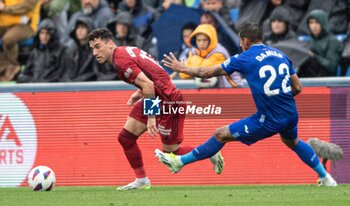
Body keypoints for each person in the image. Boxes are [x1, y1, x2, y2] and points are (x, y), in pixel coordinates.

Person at [157, 23, 337, 186]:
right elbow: (298, 87)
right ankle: (326, 178)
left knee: (220, 134)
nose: (240, 45)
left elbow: (207, 72)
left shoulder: (244, 57)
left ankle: (178, 162)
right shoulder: (281, 55)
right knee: (293, 142)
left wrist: (183, 68)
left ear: (245, 40)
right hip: (290, 113)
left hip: (269, 118)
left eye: (240, 41)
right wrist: (280, 99)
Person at [87, 28, 224, 190]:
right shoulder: (125, 52)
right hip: (154, 97)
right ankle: (142, 180)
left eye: (97, 46)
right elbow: (151, 74)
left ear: (110, 44)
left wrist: (151, 116)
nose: (95, 52)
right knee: (125, 138)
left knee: (171, 152)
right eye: (92, 49)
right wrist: (140, 92)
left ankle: (210, 151)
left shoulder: (121, 61)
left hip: (169, 101)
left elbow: (148, 84)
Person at [179, 24, 241, 88]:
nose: (201, 43)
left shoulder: (219, 53)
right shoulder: (194, 51)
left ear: (211, 40)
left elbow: (204, 72)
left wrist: (193, 60)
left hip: (231, 89)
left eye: (205, 40)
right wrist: (189, 69)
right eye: (199, 40)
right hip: (211, 89)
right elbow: (184, 75)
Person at [0, 0, 41, 81]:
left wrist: (5, 8)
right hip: (5, 23)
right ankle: (7, 67)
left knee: (8, 39)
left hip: (26, 25)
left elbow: (25, 7)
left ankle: (11, 67)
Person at [297, 10, 343, 77]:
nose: (313, 26)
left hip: (326, 80)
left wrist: (314, 56)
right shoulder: (309, 41)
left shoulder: (333, 41)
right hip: (308, 78)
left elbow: (332, 66)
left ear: (323, 23)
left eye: (317, 22)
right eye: (311, 23)